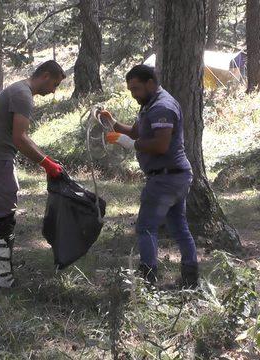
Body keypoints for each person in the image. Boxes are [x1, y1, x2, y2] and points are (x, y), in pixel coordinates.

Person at [101, 64, 199, 288]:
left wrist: (128, 144)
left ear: (150, 83)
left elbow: (161, 145)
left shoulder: (162, 107)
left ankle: (148, 281)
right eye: (130, 90)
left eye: (136, 89)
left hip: (166, 178)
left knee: (146, 227)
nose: (134, 95)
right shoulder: (150, 104)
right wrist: (113, 123)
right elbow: (137, 131)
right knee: (179, 226)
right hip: (175, 176)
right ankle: (190, 277)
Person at [0, 60, 65, 288]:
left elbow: (21, 136)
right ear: (44, 75)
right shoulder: (23, 95)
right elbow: (19, 139)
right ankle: (4, 278)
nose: (54, 90)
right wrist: (47, 165)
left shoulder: (17, 89)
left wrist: (48, 160)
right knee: (3, 216)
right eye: (54, 84)